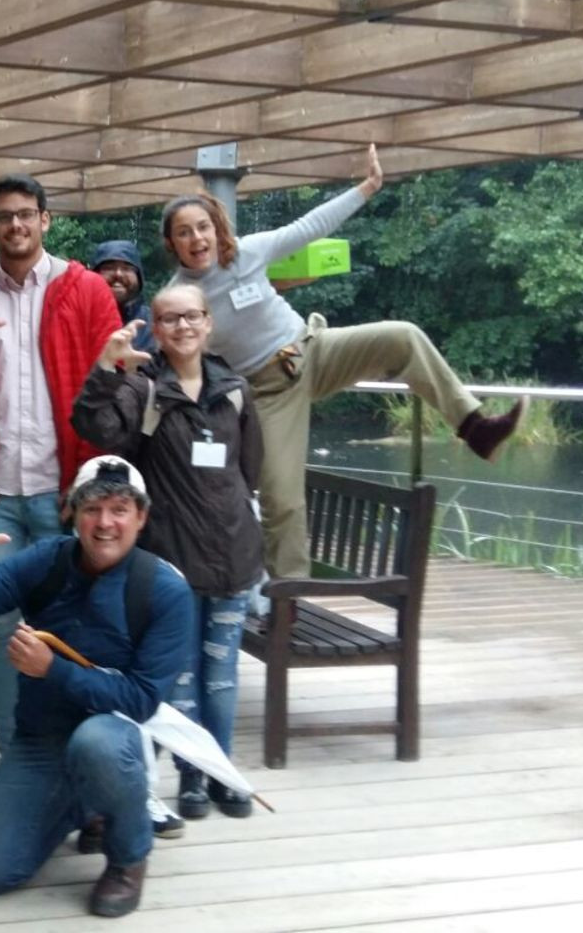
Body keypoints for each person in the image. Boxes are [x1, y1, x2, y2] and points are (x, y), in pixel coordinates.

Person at [162, 144, 524, 582]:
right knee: (281, 498)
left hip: (313, 349)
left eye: (202, 227)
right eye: (185, 233)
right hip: (269, 391)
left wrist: (367, 189)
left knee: (403, 337)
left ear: (216, 227)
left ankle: (475, 428)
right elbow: (171, 351)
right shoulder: (179, 295)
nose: (197, 239)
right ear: (172, 244)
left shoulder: (247, 253)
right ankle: (289, 597)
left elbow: (308, 227)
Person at [0, 456, 194, 919]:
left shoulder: (165, 590)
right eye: (92, 509)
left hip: (115, 735)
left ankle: (128, 857)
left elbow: (142, 700)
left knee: (97, 744)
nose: (105, 523)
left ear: (141, 517)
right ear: (70, 513)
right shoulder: (47, 561)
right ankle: (81, 804)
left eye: (119, 509)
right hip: (41, 738)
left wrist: (53, 669)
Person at [0, 173, 121, 792]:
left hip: (65, 490)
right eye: (4, 217)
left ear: (46, 220)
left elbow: (108, 392)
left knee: (83, 630)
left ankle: (86, 762)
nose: (15, 225)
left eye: (26, 215)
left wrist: (91, 489)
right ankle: (18, 766)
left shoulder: (87, 289)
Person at [71, 283, 265, 839]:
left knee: (222, 675)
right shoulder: (143, 387)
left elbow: (248, 469)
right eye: (169, 319)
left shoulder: (234, 390)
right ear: (154, 328)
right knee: (178, 679)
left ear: (208, 323)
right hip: (173, 563)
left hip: (231, 554)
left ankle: (220, 770)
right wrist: (106, 371)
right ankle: (191, 777)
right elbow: (95, 428)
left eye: (192, 317)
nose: (182, 327)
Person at [90, 240, 154, 350]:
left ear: (139, 277)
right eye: (109, 268)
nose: (118, 274)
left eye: (127, 268)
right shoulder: (79, 321)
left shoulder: (155, 325)